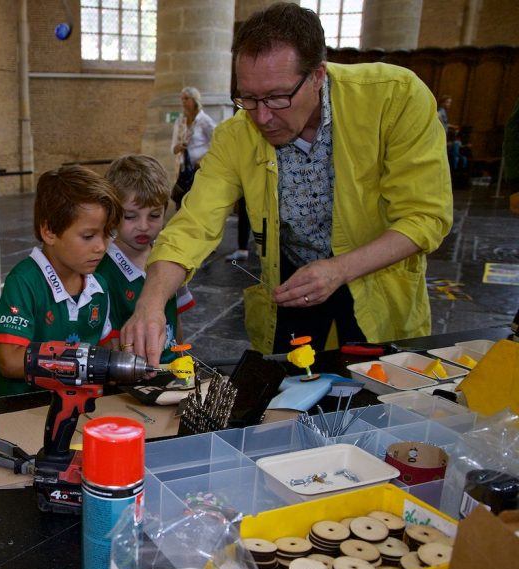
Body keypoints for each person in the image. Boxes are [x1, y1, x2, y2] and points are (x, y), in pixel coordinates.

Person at [122, 2, 451, 362]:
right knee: (286, 394)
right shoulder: (237, 134)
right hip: (291, 285)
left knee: (377, 391)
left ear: (317, 76)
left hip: (377, 286)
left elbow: (425, 217)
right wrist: (152, 302)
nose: (262, 117)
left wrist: (339, 269)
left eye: (278, 97)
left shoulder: (396, 97)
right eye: (248, 98)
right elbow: (193, 225)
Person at [0, 165, 122, 395]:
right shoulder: (24, 282)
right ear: (49, 231)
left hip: (83, 407)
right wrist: (81, 363)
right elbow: (10, 361)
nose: (101, 247)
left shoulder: (99, 285)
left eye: (107, 234)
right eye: (88, 236)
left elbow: (108, 346)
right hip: (26, 412)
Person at [99, 154, 195, 365]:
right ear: (112, 212)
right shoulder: (103, 269)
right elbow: (106, 338)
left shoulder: (169, 260)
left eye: (154, 215)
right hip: (130, 372)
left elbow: (175, 319)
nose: (143, 226)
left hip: (170, 366)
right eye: (131, 216)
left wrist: (182, 356)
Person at [170, 86, 217, 206]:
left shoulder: (204, 120)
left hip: (199, 169)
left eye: (186, 99)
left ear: (195, 100)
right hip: (183, 169)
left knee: (196, 203)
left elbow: (218, 142)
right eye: (182, 99)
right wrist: (179, 147)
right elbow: (173, 149)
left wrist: (204, 159)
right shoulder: (180, 121)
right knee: (181, 202)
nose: (183, 102)